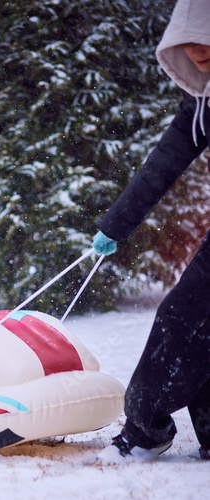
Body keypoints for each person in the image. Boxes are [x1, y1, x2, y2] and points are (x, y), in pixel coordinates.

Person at [93, 0, 210, 461]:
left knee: (181, 320)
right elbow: (161, 165)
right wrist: (115, 226)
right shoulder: (202, 102)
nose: (196, 49)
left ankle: (146, 429)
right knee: (197, 324)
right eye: (187, 37)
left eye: (205, 34)